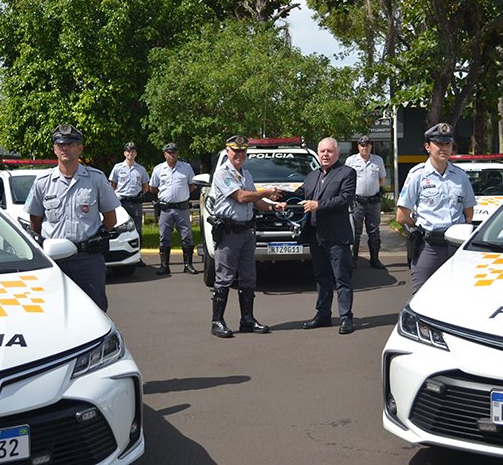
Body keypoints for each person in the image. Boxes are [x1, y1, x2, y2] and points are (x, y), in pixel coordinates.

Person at [24, 124, 119, 311]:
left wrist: (96, 237)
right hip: (53, 261)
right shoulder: (42, 182)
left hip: (87, 259)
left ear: (80, 148)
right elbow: (35, 221)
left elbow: (111, 218)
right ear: (54, 149)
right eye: (60, 144)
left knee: (95, 310)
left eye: (70, 143)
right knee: (54, 310)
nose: (65, 148)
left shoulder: (96, 179)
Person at [279, 137, 357, 335]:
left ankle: (346, 318)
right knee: (322, 277)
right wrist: (280, 197)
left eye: (329, 151)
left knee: (342, 278)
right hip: (315, 234)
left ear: (337, 153)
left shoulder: (347, 173)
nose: (325, 155)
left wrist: (318, 205)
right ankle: (323, 315)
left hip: (337, 236)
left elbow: (345, 199)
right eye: (322, 151)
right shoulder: (312, 175)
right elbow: (301, 193)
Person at [208, 135, 282, 338]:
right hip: (230, 232)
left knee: (249, 277)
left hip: (247, 232)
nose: (240, 155)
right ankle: (217, 322)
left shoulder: (246, 174)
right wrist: (266, 191)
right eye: (235, 151)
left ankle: (247, 319)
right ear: (228, 152)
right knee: (224, 278)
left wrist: (275, 205)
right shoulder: (223, 173)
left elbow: (257, 203)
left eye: (243, 151)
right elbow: (241, 197)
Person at [396, 123, 476, 293]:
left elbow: (469, 213)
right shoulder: (417, 175)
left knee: (458, 295)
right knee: (421, 297)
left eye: (447, 144)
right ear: (427, 147)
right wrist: (418, 229)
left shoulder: (461, 176)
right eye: (438, 144)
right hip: (428, 247)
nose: (444, 148)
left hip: (456, 248)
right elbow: (402, 216)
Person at [149, 142, 197, 276]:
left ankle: (188, 265)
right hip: (166, 209)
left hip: (182, 208)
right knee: (164, 237)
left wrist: (181, 194)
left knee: (187, 236)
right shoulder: (158, 169)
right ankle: (164, 266)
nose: (172, 155)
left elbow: (192, 185)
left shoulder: (186, 168)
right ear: (165, 154)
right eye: (169, 153)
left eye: (174, 152)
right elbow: (153, 188)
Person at [345, 135, 387, 270]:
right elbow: (346, 180)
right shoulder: (351, 160)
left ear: (371, 146)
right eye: (362, 145)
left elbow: (382, 180)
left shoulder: (378, 160)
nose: (365, 148)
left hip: (373, 202)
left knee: (374, 231)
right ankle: (353, 260)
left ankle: (375, 259)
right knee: (355, 232)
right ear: (358, 147)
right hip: (357, 202)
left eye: (367, 145)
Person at [109, 142, 150, 267]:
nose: (130, 153)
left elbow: (145, 187)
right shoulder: (117, 168)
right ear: (124, 153)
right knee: (120, 227)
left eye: (133, 151)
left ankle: (137, 256)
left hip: (135, 202)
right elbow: (112, 186)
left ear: (136, 153)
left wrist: (139, 195)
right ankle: (120, 253)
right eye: (128, 151)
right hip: (121, 202)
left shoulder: (141, 169)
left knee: (137, 230)